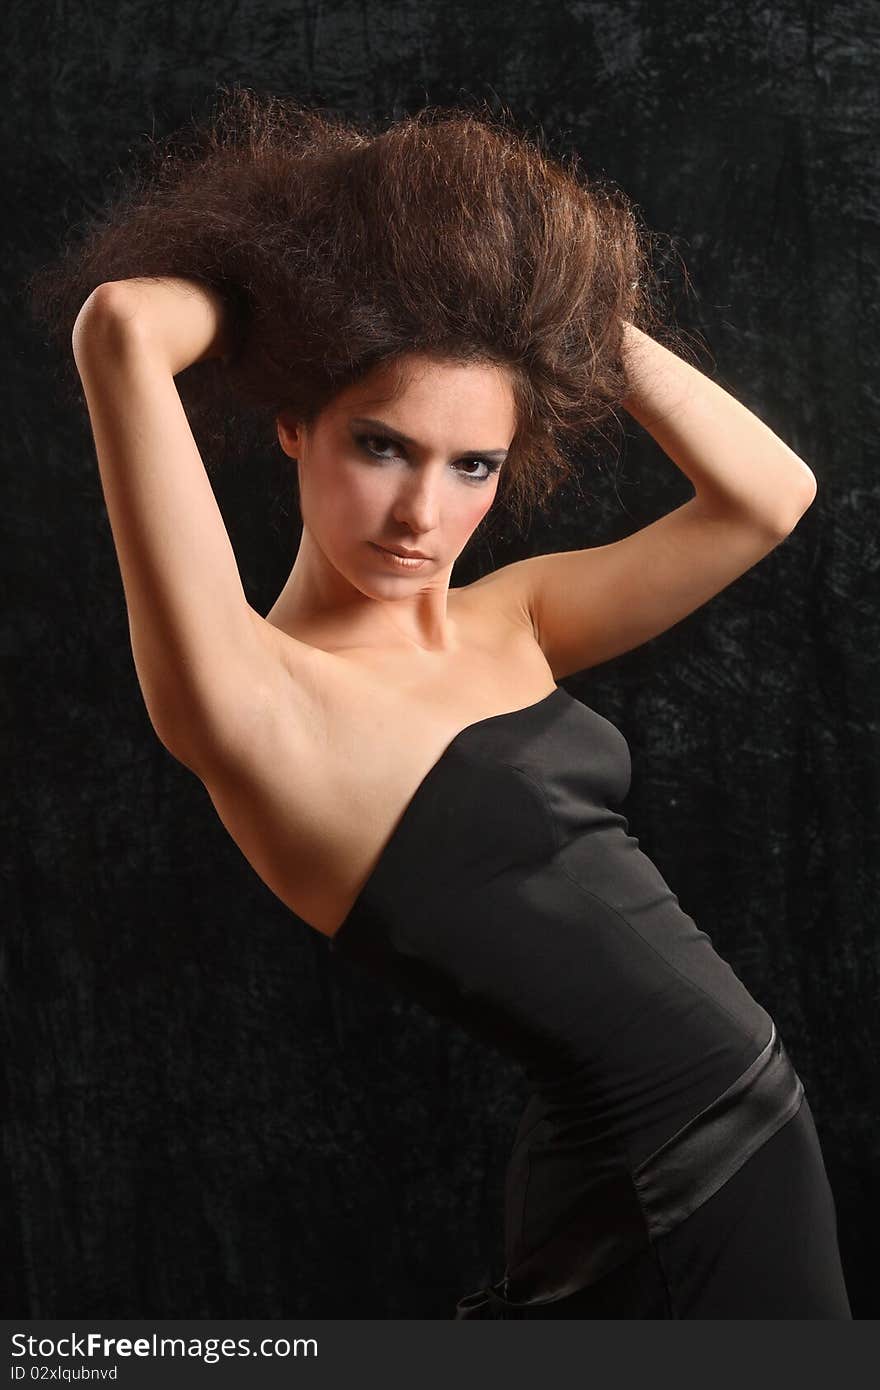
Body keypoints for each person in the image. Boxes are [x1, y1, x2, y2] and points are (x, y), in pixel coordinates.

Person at [28, 86, 851, 1318]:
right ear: (296, 424)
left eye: (472, 464)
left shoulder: (508, 616)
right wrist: (298, 288)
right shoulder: (256, 701)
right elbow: (123, 326)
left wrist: (558, 314)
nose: (424, 514)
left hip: (714, 1147)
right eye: (382, 446)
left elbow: (767, 495)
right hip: (670, 1183)